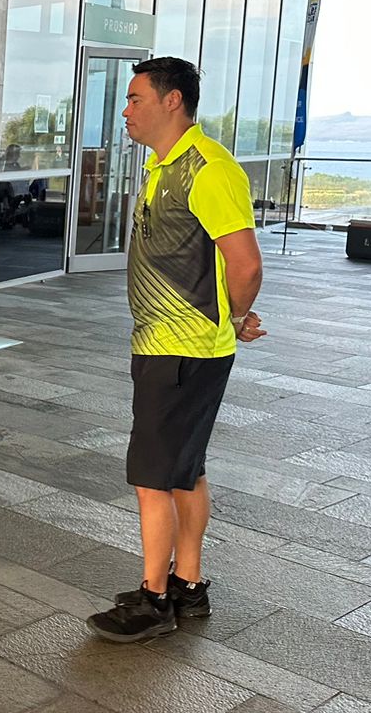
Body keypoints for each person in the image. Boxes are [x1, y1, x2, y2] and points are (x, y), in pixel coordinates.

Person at [86, 57, 265, 643]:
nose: (125, 110)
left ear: (172, 100)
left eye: (135, 98)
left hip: (182, 348)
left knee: (152, 477)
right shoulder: (162, 166)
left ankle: (154, 598)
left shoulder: (208, 169)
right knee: (185, 471)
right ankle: (188, 584)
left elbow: (245, 262)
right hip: (170, 344)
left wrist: (235, 316)